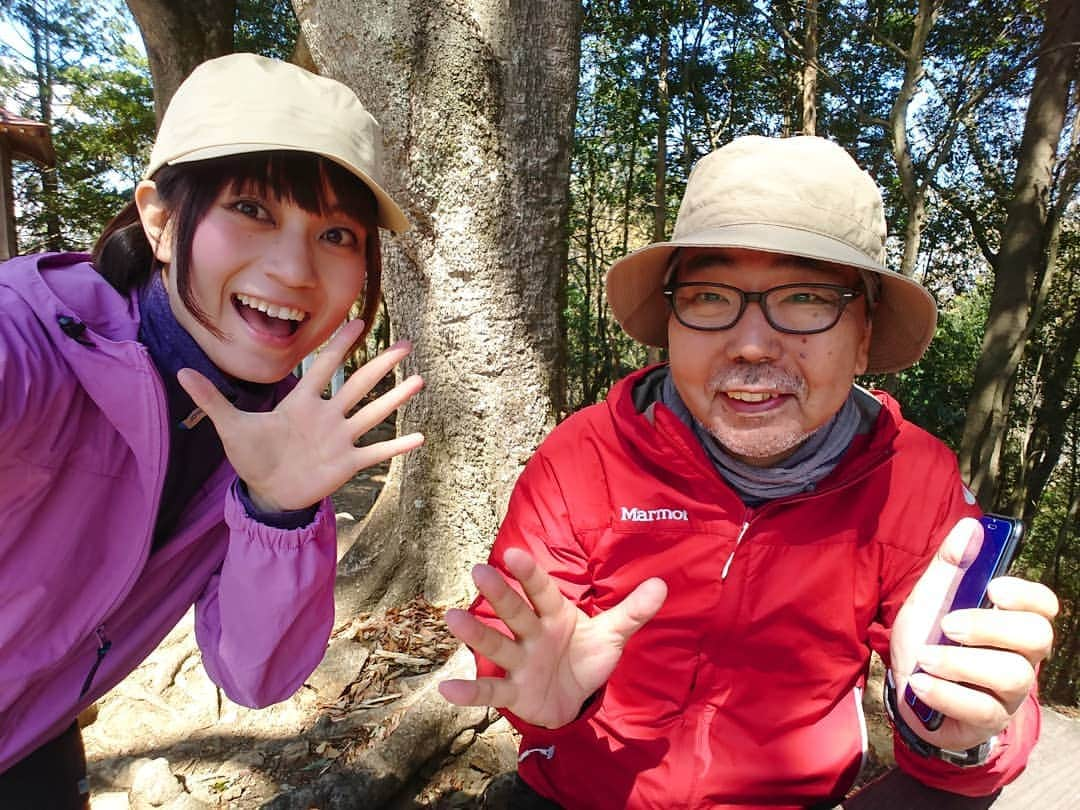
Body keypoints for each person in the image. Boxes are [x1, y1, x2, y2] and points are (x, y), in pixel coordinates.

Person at [438, 135, 1060, 809]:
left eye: (805, 297)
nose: (753, 343)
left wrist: (956, 726)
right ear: (671, 320)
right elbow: (515, 641)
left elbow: (977, 702)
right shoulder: (587, 453)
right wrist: (543, 699)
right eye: (708, 296)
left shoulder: (912, 480)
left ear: (865, 334)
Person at [0, 53, 423, 808]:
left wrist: (280, 510)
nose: (296, 269)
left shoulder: (281, 431)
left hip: (32, 741)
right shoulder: (36, 342)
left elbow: (255, 676)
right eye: (252, 210)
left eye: (337, 235)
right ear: (160, 220)